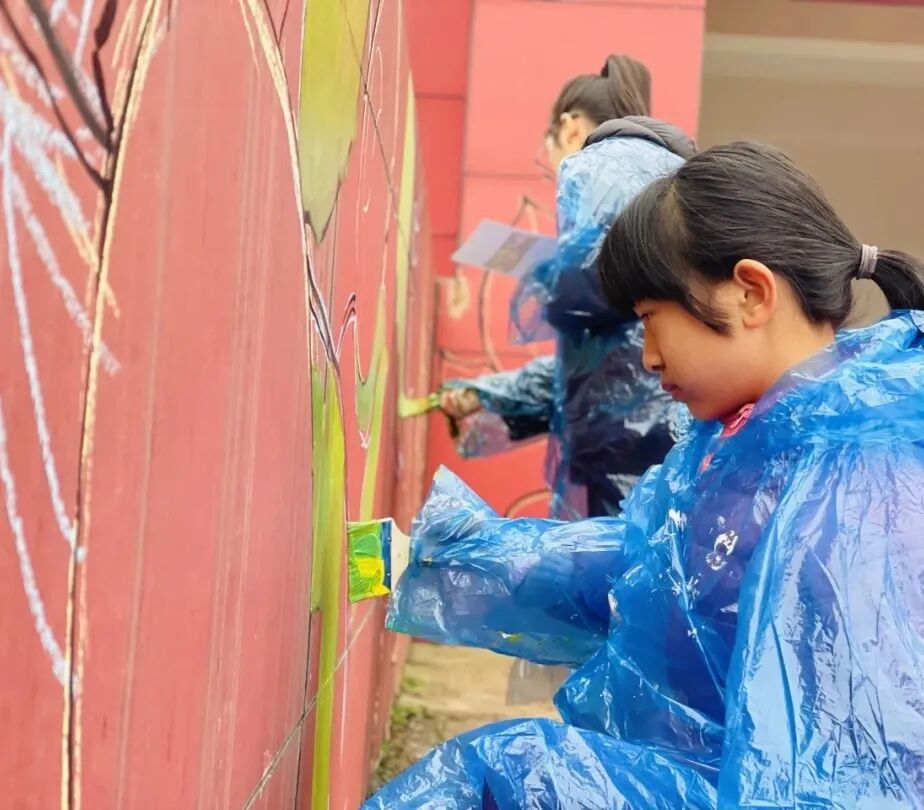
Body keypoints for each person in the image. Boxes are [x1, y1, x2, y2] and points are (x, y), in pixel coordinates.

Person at [365, 142, 924, 808]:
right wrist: (442, 561)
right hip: (694, 776)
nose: (649, 357)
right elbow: (644, 565)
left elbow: (853, 769)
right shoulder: (750, 436)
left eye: (652, 320)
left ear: (750, 293)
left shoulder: (857, 481)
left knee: (513, 772)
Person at [442, 55, 696, 520]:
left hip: (621, 445)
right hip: (656, 435)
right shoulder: (665, 172)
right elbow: (597, 354)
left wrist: (543, 272)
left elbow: (593, 286)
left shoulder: (597, 164)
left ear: (570, 126)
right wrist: (491, 394)